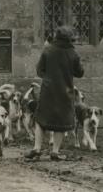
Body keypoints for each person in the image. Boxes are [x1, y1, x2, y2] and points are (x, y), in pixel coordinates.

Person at [27, 25, 85, 161]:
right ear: (70, 38)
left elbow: (39, 70)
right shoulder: (73, 53)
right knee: (62, 122)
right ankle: (55, 152)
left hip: (48, 90)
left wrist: (48, 78)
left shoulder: (48, 50)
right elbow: (80, 73)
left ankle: (36, 148)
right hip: (65, 91)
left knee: (40, 119)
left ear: (57, 36)